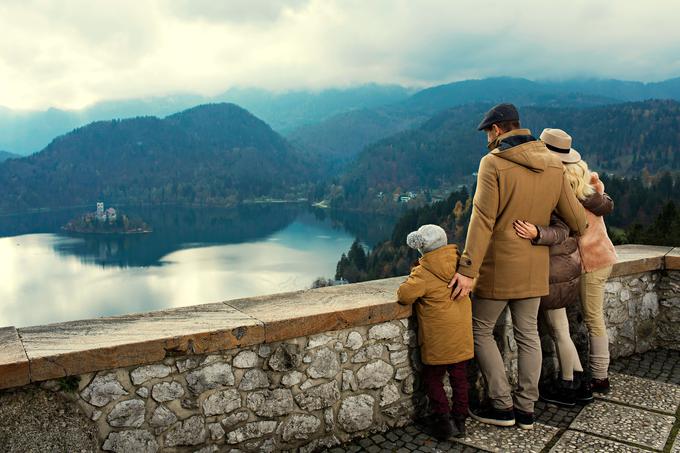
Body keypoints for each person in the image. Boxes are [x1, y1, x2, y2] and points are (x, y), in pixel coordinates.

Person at [448, 104, 587, 430]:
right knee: (528, 336)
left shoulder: (493, 163)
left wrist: (467, 271)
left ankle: (502, 405)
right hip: (535, 268)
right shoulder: (554, 166)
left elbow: (481, 221)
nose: (487, 139)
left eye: (487, 133)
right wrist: (541, 234)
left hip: (498, 268)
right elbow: (578, 222)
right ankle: (526, 409)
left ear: (496, 129)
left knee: (480, 330)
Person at [515, 128, 616, 395]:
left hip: (590, 260)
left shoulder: (566, 189)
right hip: (601, 256)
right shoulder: (585, 181)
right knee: (581, 321)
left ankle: (599, 377)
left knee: (592, 318)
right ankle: (583, 377)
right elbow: (606, 204)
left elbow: (572, 230)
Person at [397, 224, 473, 440]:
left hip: (438, 340)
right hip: (461, 336)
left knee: (432, 379)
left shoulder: (423, 272)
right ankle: (460, 420)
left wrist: (414, 272)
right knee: (460, 378)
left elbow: (404, 295)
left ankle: (443, 421)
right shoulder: (461, 264)